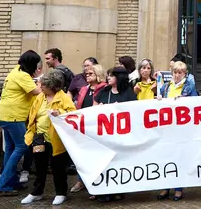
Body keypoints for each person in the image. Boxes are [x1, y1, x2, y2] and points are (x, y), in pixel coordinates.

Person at [20, 70, 76, 205]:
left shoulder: (63, 98)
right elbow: (33, 113)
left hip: (56, 139)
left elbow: (72, 113)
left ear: (52, 86)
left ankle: (61, 192)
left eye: (43, 85)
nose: (40, 87)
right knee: (39, 166)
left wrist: (60, 112)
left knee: (58, 167)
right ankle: (37, 192)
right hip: (39, 137)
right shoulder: (40, 97)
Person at [0, 50, 42, 196]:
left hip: (4, 115)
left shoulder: (14, 71)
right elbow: (37, 92)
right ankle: (3, 184)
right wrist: (40, 80)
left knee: (10, 148)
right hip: (14, 117)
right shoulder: (22, 75)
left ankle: (11, 181)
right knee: (22, 146)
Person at [91, 67, 135, 203]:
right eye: (108, 75)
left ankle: (117, 190)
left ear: (119, 78)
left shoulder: (128, 93)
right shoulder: (104, 91)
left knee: (118, 162)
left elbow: (134, 111)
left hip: (121, 136)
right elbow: (93, 109)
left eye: (111, 76)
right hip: (104, 135)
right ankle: (102, 190)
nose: (108, 78)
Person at [156, 60, 198, 201]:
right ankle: (165, 187)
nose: (177, 75)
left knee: (179, 157)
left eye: (180, 72)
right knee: (166, 156)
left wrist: (185, 101)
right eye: (175, 72)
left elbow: (196, 103)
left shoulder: (189, 86)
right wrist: (159, 100)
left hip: (181, 128)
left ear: (185, 73)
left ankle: (179, 188)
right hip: (167, 127)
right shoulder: (166, 87)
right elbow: (159, 102)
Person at [69, 64, 107, 193]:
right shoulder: (84, 89)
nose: (87, 75)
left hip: (99, 127)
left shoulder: (105, 89)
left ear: (98, 75)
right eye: (87, 74)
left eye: (91, 73)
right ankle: (81, 180)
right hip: (84, 126)